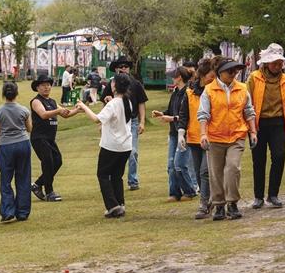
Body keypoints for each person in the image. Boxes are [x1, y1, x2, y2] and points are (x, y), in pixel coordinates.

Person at [197, 58, 257, 221]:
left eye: (235, 70)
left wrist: (253, 132)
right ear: (219, 72)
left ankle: (232, 203)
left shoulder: (242, 88)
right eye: (230, 70)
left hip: (237, 136)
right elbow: (203, 114)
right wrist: (203, 134)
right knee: (215, 173)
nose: (233, 73)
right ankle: (219, 205)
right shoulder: (209, 90)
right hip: (215, 137)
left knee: (233, 168)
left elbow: (249, 111)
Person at [77, 73, 133, 218]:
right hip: (126, 145)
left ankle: (112, 206)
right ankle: (120, 204)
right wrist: (110, 102)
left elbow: (97, 119)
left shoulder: (113, 104)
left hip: (112, 145)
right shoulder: (127, 101)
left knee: (102, 174)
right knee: (117, 176)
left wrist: (83, 106)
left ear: (115, 86)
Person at [247, 43, 285, 210]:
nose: (277, 66)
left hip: (278, 122)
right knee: (258, 160)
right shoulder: (254, 77)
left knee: (280, 156)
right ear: (266, 63)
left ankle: (273, 194)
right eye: (274, 63)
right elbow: (248, 101)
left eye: (280, 63)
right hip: (258, 123)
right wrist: (250, 125)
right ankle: (258, 196)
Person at [29, 75, 80, 202]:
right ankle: (49, 192)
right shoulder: (36, 101)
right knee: (48, 162)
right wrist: (58, 111)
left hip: (50, 139)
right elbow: (43, 114)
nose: (46, 87)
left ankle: (37, 185)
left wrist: (78, 110)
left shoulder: (52, 102)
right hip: (39, 138)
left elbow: (65, 114)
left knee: (58, 161)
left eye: (48, 85)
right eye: (43, 85)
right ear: (37, 88)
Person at [101, 56, 148, 190]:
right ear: (116, 69)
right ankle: (114, 177)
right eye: (120, 67)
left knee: (133, 152)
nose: (123, 69)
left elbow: (141, 103)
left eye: (125, 66)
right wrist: (102, 123)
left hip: (132, 121)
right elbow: (104, 104)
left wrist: (142, 122)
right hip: (115, 122)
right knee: (114, 151)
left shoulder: (135, 84)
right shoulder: (112, 84)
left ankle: (133, 180)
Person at [179, 57, 218, 219]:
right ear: (202, 75)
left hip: (210, 137)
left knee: (204, 171)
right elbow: (184, 114)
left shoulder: (214, 91)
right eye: (211, 75)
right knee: (197, 172)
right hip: (193, 138)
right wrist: (181, 133)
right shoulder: (190, 92)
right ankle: (207, 199)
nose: (213, 78)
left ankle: (204, 203)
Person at [152, 67, 197, 202]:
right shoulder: (175, 92)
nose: (172, 78)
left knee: (179, 165)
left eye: (173, 76)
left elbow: (187, 115)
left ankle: (189, 191)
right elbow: (172, 110)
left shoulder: (188, 93)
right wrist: (162, 114)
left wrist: (171, 118)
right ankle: (174, 192)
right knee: (171, 166)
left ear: (179, 77)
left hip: (184, 133)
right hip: (173, 133)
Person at [0, 81, 33, 223]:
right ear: (16, 93)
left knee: (6, 179)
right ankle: (22, 212)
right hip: (23, 144)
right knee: (23, 177)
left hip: (6, 146)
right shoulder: (24, 110)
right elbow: (29, 129)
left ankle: (7, 211)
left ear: (3, 94)